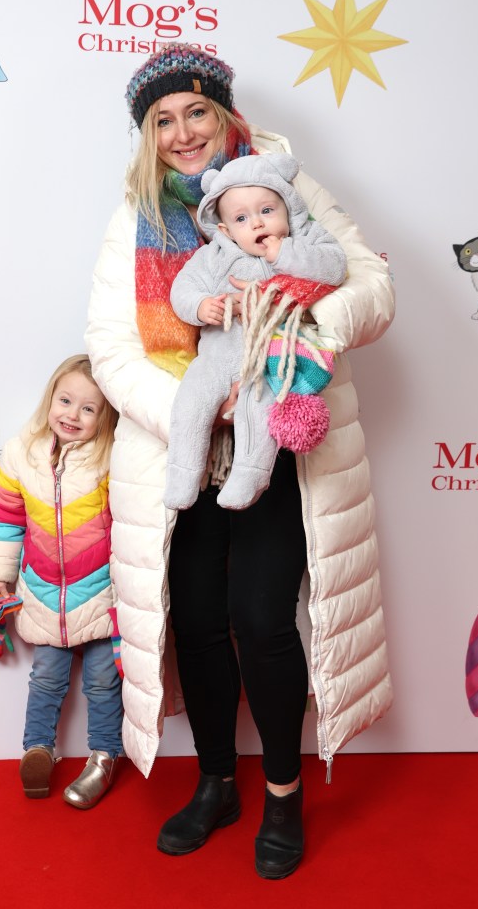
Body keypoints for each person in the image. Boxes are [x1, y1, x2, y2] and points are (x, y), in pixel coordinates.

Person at [85, 43, 394, 879]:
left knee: (263, 622)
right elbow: (111, 348)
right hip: (183, 452)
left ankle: (285, 794)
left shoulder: (286, 184)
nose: (184, 133)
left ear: (221, 114)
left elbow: (369, 283)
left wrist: (300, 345)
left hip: (282, 447)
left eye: (197, 112)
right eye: (164, 120)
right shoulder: (136, 217)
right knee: (196, 623)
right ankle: (217, 781)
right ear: (147, 135)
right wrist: (199, 403)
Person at [164, 151, 346, 512]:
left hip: (269, 361)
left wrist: (286, 253)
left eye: (267, 210)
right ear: (226, 230)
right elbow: (181, 289)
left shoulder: (302, 243)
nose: (258, 224)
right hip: (215, 358)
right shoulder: (213, 256)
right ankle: (182, 472)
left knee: (259, 410)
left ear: (288, 209)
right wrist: (201, 306)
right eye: (242, 218)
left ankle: (251, 473)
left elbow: (335, 266)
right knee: (190, 406)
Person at [0, 354, 122, 809]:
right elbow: (3, 516)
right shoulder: (23, 452)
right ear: (50, 399)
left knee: (103, 682)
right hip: (41, 591)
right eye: (66, 400)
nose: (72, 415)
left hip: (101, 592)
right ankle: (36, 749)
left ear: (105, 416)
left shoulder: (111, 457)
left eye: (88, 408)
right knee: (45, 679)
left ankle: (103, 757)